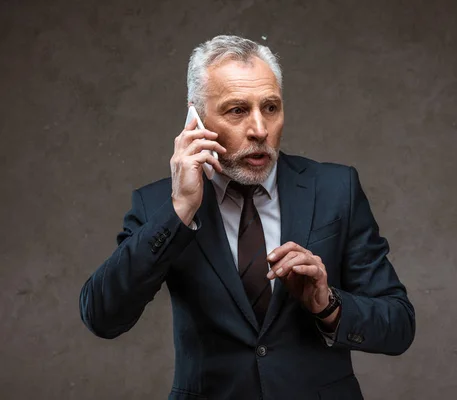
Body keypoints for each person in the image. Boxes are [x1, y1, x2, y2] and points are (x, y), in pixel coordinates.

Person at [79, 35, 415, 400]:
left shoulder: (336, 189)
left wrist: (327, 303)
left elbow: (398, 324)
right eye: (237, 110)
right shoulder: (158, 204)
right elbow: (102, 316)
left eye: (270, 108)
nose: (259, 130)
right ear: (196, 117)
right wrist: (179, 210)